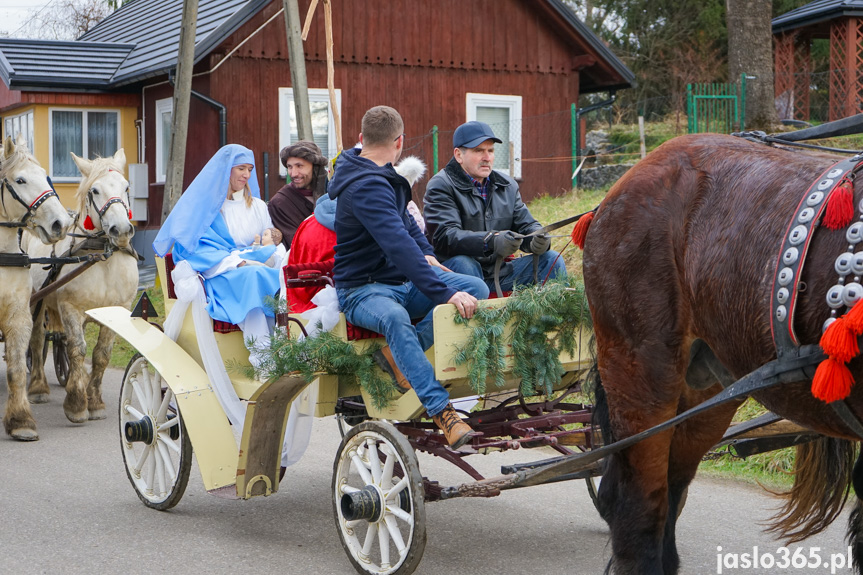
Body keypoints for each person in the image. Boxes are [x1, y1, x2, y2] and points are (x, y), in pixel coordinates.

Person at [330, 105, 489, 449]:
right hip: (362, 290)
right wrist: (442, 292)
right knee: (396, 317)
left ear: (361, 139)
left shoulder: (384, 177)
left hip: (400, 282)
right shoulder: (366, 186)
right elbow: (398, 244)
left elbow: (408, 228)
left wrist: (428, 254)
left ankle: (396, 356)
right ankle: (442, 410)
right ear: (400, 142)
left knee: (475, 286)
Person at [152, 144, 283, 356]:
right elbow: (192, 248)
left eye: (250, 169)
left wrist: (275, 257)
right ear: (226, 169)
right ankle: (262, 354)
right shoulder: (206, 209)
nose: (247, 174)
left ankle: (281, 347)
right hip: (220, 272)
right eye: (241, 168)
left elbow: (270, 240)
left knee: (277, 276)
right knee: (251, 277)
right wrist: (237, 262)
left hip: (255, 266)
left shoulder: (258, 206)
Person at [423, 121, 566, 294]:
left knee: (552, 259)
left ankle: (549, 320)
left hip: (499, 273)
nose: (487, 157)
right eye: (478, 151)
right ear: (459, 155)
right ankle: (478, 321)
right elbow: (445, 237)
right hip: (457, 273)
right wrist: (490, 240)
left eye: (490, 151)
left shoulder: (508, 186)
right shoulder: (441, 185)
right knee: (464, 262)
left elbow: (526, 225)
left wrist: (537, 239)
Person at [269, 141, 328, 248]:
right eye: (290, 167)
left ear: (315, 167)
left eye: (299, 166)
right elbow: (297, 244)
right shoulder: (280, 203)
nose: (293, 173)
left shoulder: (332, 194)